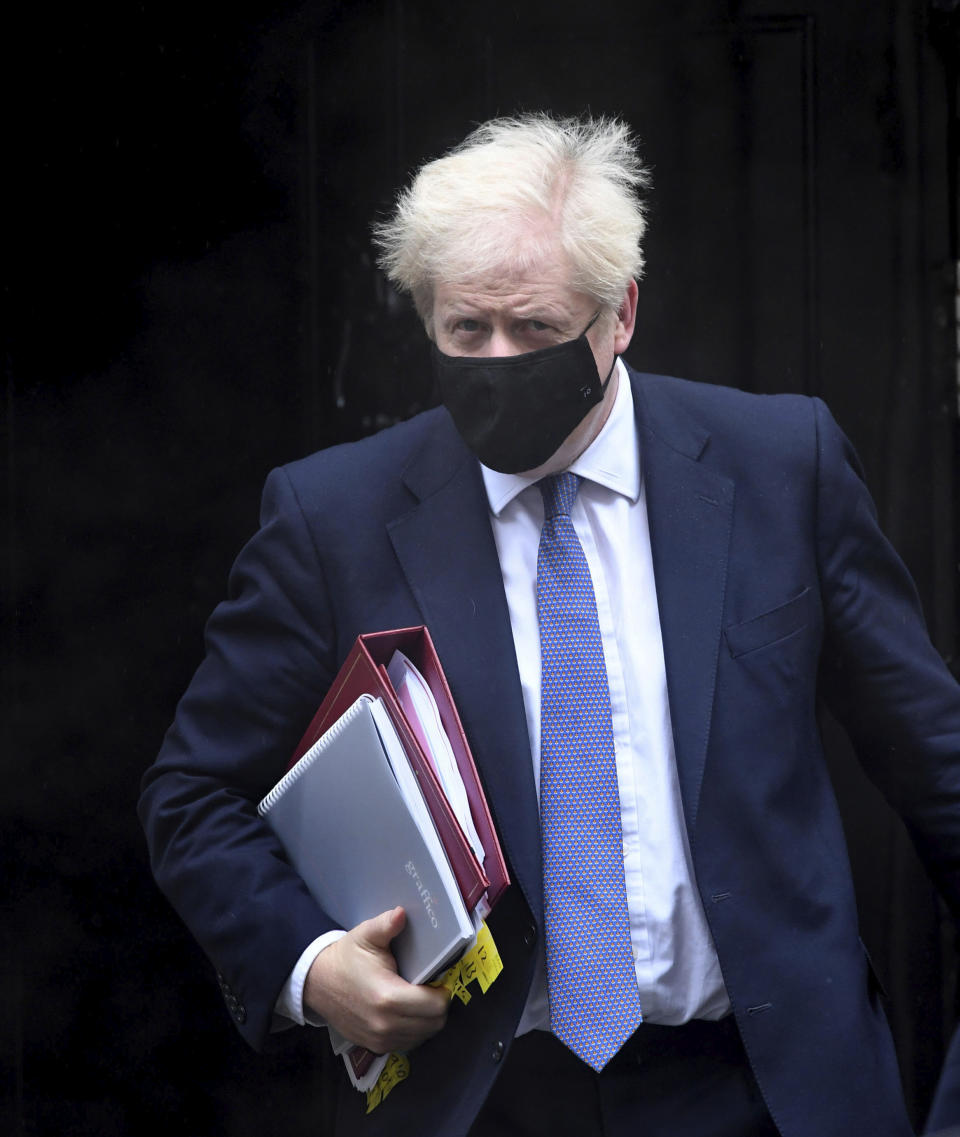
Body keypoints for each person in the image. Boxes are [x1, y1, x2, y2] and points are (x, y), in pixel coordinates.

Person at [140, 113, 960, 1137]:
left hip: (764, 1088)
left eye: (534, 329)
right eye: (465, 329)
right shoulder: (331, 518)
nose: (497, 359)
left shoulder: (781, 466)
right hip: (483, 1098)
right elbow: (193, 793)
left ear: (619, 314)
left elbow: (939, 766)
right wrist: (312, 964)